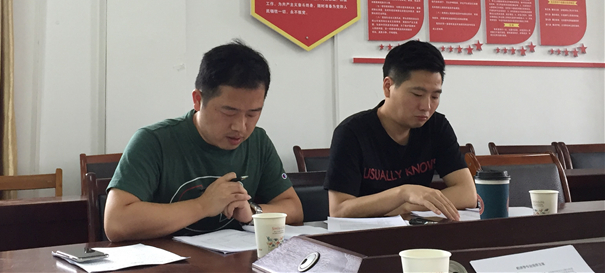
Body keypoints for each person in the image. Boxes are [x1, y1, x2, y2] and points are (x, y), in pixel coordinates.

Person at [104, 40, 303, 241]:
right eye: (229, 112)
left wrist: (252, 212)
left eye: (252, 114)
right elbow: (116, 223)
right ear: (198, 100)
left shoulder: (258, 142)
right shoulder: (153, 141)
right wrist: (203, 205)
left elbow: (294, 208)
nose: (240, 127)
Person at [324, 40, 476, 221]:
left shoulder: (437, 126)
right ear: (388, 87)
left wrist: (406, 206)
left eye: (435, 96)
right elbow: (339, 209)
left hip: (416, 229)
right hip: (366, 233)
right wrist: (403, 194)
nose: (427, 106)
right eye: (417, 95)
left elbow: (467, 194)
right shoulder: (351, 133)